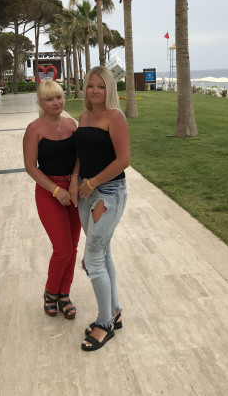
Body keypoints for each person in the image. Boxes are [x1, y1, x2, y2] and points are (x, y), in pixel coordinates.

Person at [69, 66, 130, 351]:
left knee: (92, 260)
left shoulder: (114, 117)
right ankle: (114, 311)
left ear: (109, 89)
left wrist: (92, 183)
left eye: (101, 86)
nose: (95, 91)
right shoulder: (84, 116)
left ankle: (104, 323)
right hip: (85, 191)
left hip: (108, 194)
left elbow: (123, 160)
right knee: (102, 254)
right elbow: (81, 153)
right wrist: (76, 179)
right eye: (91, 85)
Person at [23, 78, 81, 320]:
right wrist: (56, 191)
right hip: (49, 192)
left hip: (74, 190)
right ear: (40, 103)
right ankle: (51, 291)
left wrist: (75, 180)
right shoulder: (34, 129)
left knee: (73, 247)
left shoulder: (71, 124)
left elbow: (80, 156)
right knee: (62, 249)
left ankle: (64, 293)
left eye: (59, 97)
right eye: (49, 99)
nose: (56, 102)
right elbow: (30, 167)